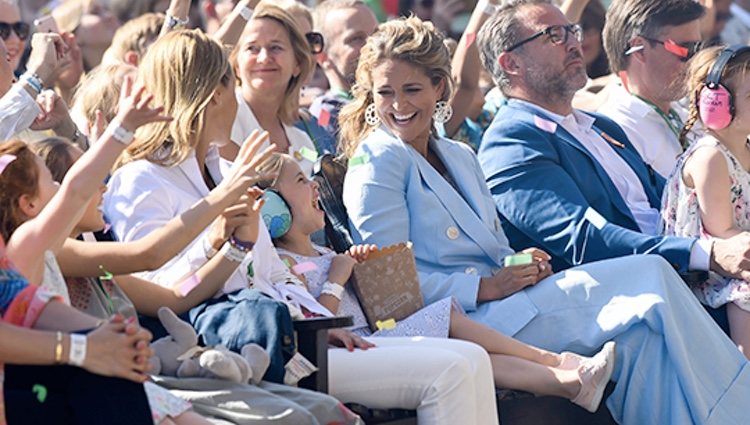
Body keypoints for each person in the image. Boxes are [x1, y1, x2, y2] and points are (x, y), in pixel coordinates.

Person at [342, 9, 750, 425]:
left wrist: (522, 264)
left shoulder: (459, 154)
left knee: (641, 339)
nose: (399, 105)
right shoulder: (378, 159)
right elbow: (391, 288)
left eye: (411, 89)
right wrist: (484, 287)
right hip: (465, 322)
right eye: (385, 93)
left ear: (439, 88)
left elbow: (496, 248)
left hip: (511, 303)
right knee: (651, 277)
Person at [105, 28, 501, 425]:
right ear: (215, 93)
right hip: (223, 341)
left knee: (469, 358)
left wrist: (314, 321)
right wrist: (216, 240)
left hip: (290, 333)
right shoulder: (142, 178)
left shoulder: (226, 172)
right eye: (232, 81)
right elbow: (157, 286)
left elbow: (273, 269)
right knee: (448, 370)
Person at [260, 152, 617, 413]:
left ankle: (570, 383)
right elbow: (316, 326)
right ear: (273, 209)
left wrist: (368, 269)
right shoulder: (283, 264)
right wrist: (337, 278)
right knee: (446, 317)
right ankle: (556, 361)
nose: (314, 186)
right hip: (360, 350)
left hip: (383, 332)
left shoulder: (327, 252)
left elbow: (381, 304)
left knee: (477, 357)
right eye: (301, 181)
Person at [662, 45, 750, 359]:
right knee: (747, 292)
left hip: (742, 253)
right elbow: (723, 233)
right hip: (711, 269)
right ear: (716, 104)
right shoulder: (711, 156)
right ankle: (743, 375)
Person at [598, 0, 704, 178]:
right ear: (639, 49)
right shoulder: (615, 131)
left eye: (700, 49)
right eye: (687, 50)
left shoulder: (684, 113)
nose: (696, 63)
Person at [224, 3, 320, 175]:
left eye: (275, 47)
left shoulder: (302, 142)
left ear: (297, 63)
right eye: (252, 48)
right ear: (236, 64)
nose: (264, 58)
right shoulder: (223, 120)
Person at [309, 0, 378, 137]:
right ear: (323, 57)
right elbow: (321, 156)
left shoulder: (395, 101)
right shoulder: (324, 114)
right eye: (356, 39)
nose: (373, 45)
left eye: (376, 34)